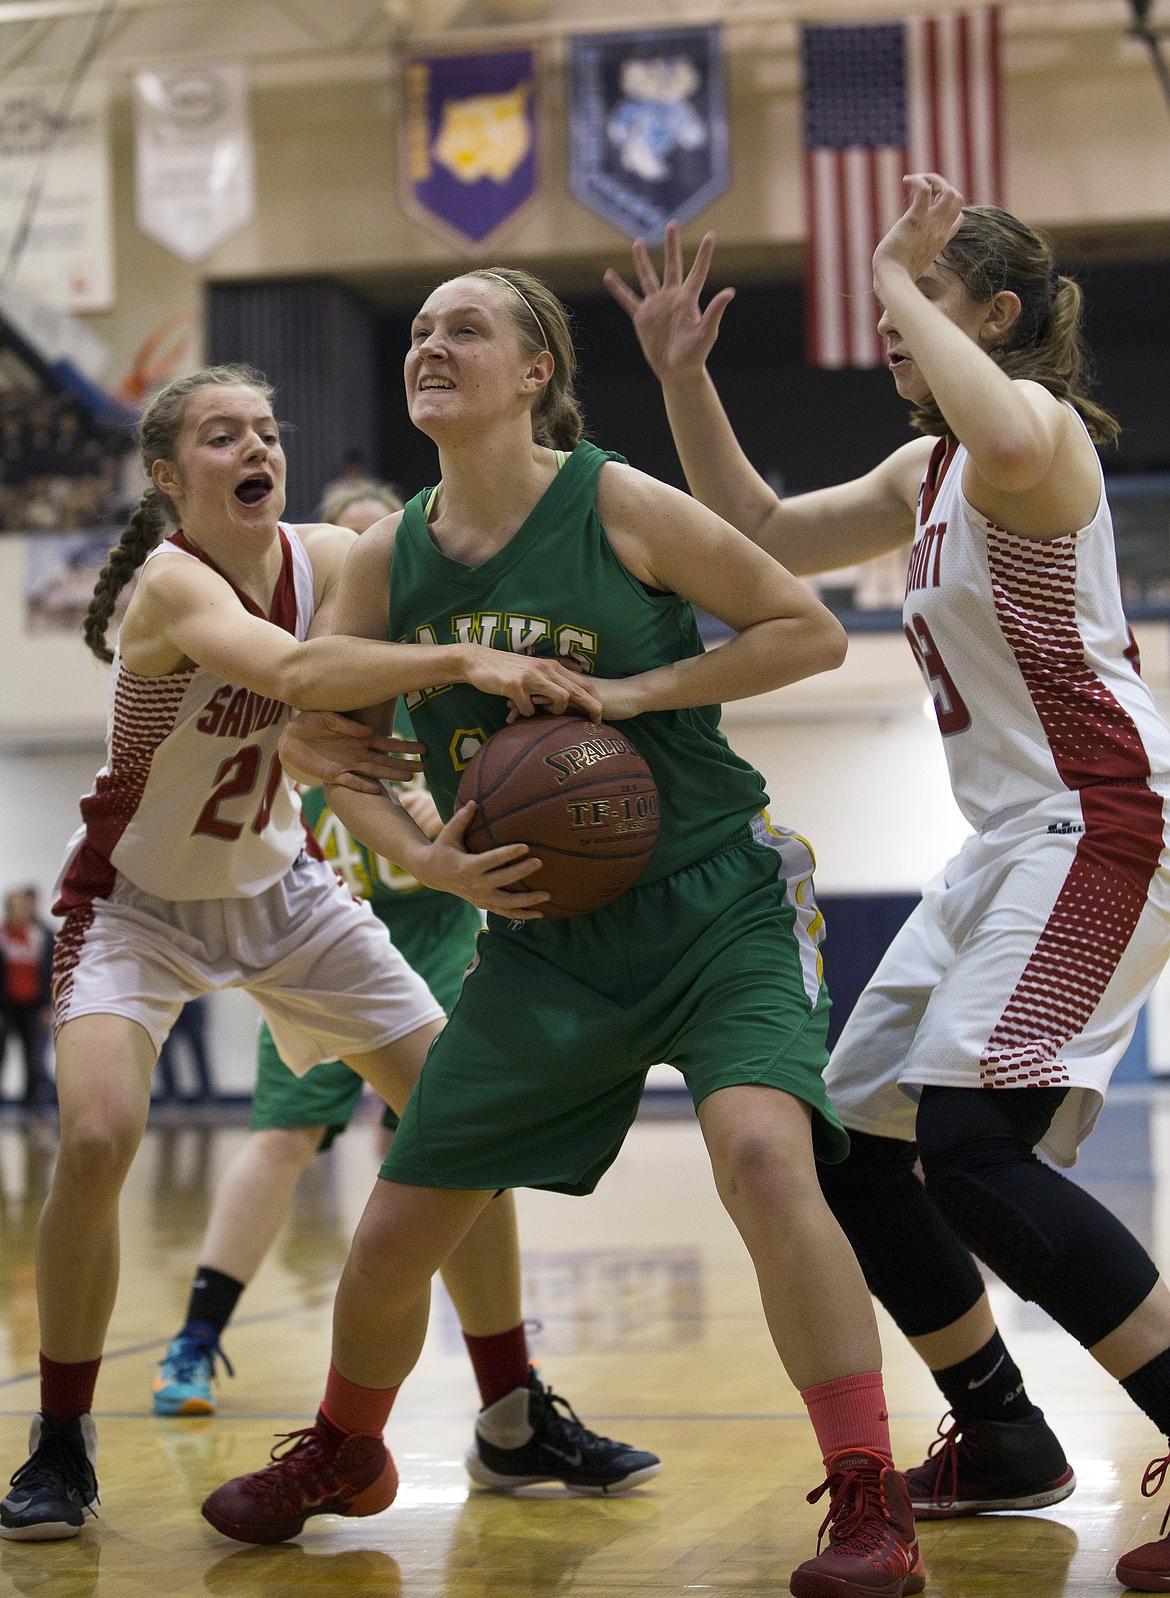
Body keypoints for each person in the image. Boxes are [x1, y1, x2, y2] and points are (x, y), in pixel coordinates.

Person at [201, 266, 926, 1598]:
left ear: (535, 370)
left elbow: (806, 629)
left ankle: (872, 1497)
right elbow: (315, 732)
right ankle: (347, 1449)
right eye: (417, 329)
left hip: (715, 902)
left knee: (766, 1158)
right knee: (394, 1228)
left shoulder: (616, 498)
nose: (428, 342)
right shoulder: (385, 552)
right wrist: (423, 851)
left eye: (462, 327)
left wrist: (639, 688)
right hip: (539, 938)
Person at [603, 174, 1170, 1589]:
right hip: (1000, 844)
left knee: (974, 1147)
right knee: (849, 1141)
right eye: (889, 303)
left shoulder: (1033, 440)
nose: (890, 330)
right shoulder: (923, 477)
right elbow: (755, 531)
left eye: (920, 299)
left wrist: (891, 278)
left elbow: (999, 414)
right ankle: (1001, 1433)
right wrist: (683, 378)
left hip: (1100, 818)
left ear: (996, 313)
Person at [0, 363, 632, 1545]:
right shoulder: (171, 585)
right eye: (224, 434)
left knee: (461, 1117)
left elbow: (388, 604)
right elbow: (292, 675)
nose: (258, 446)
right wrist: (463, 665)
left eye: (269, 429)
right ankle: (61, 1437)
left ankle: (509, 1410)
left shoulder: (322, 559)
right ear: (166, 476)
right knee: (94, 1135)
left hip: (284, 887)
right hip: (134, 901)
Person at [151, 489, 480, 1422]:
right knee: (281, 1138)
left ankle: (502, 1370)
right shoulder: (291, 682)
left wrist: (463, 811)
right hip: (321, 931)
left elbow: (514, 781)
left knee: (445, 1143)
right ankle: (196, 1336)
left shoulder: (433, 681)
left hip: (436, 941)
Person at [0, 887, 54, 1108]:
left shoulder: (41, 935)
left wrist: (47, 1006)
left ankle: (32, 1106)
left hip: (33, 1006)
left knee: (33, 1059)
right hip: (7, 1007)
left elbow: (51, 973)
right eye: (18, 906)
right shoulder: (2, 936)